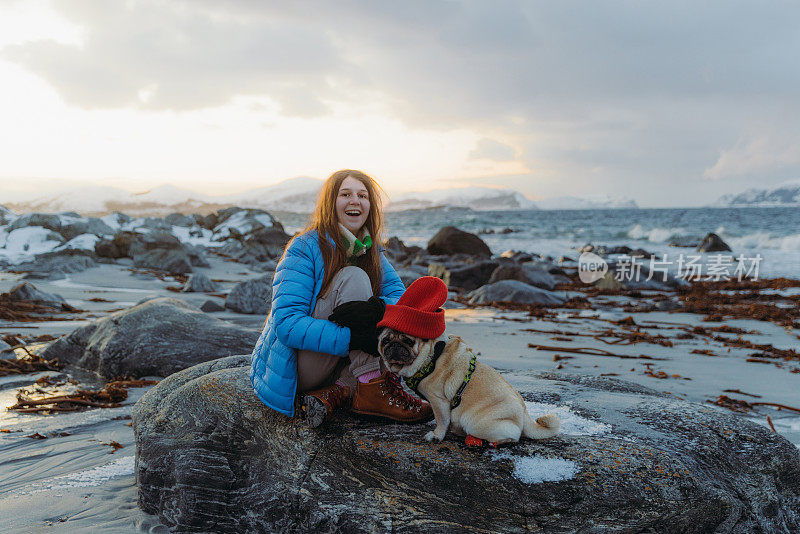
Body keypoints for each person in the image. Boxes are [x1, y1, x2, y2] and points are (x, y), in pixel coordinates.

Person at [250, 169, 433, 428]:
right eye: (345, 194)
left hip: (337, 363)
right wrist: (354, 338)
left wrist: (378, 309)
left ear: (371, 206)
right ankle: (371, 387)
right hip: (299, 369)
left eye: (363, 195)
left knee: (398, 317)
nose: (355, 201)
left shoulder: (371, 251)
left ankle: (341, 391)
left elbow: (403, 301)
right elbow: (287, 324)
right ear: (330, 203)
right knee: (354, 277)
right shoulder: (305, 247)